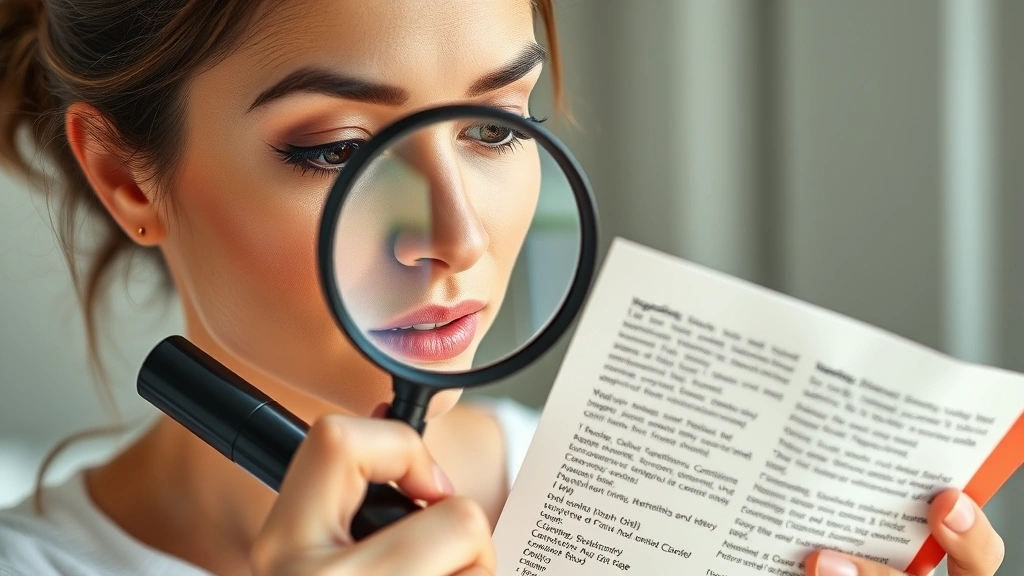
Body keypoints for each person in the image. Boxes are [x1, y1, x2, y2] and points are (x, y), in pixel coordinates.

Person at [0, 0, 1007, 575]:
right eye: (341, 149)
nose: (460, 235)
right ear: (129, 176)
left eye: (494, 128)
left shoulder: (659, 526)